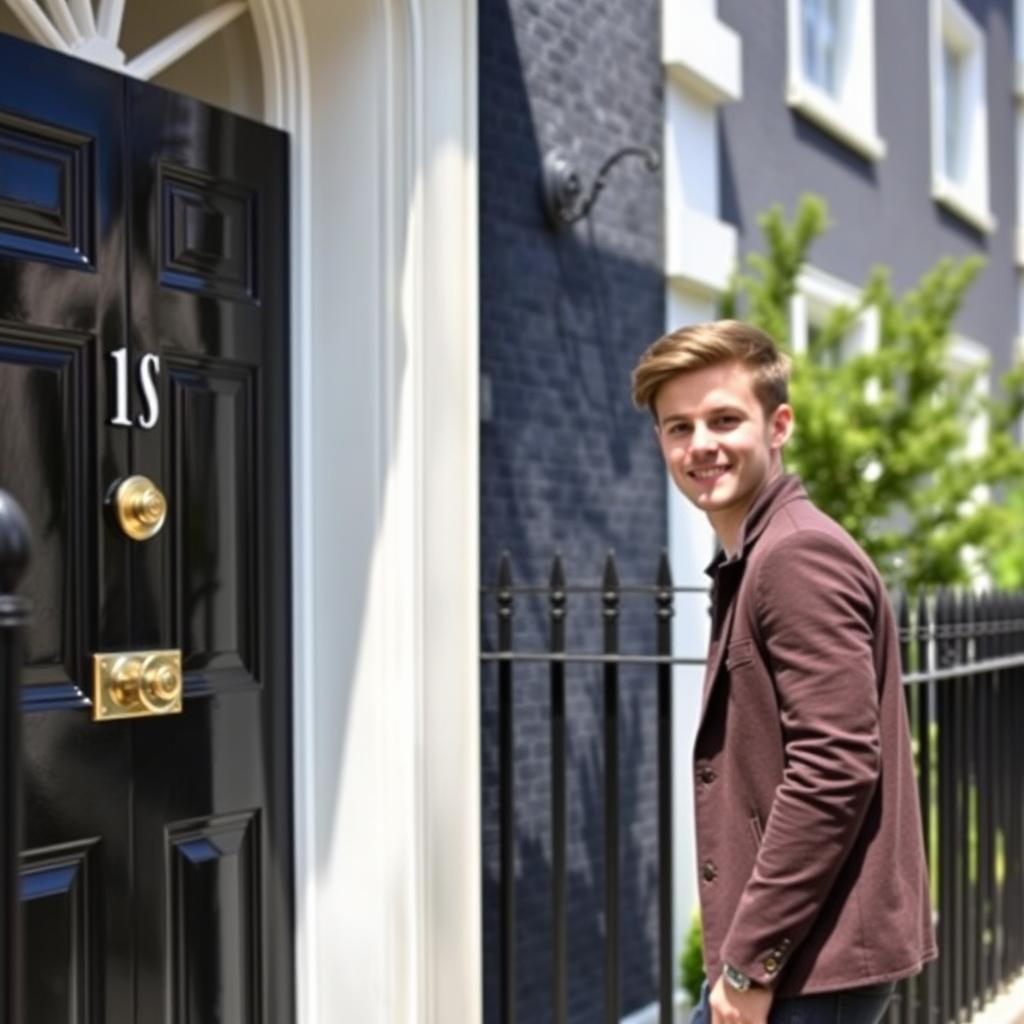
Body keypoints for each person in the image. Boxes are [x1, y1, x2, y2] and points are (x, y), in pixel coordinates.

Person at [631, 320, 936, 1024]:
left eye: (724, 419)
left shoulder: (794, 558)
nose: (699, 445)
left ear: (779, 424)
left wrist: (748, 964)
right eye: (678, 427)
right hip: (803, 960)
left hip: (807, 967)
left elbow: (835, 764)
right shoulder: (756, 555)